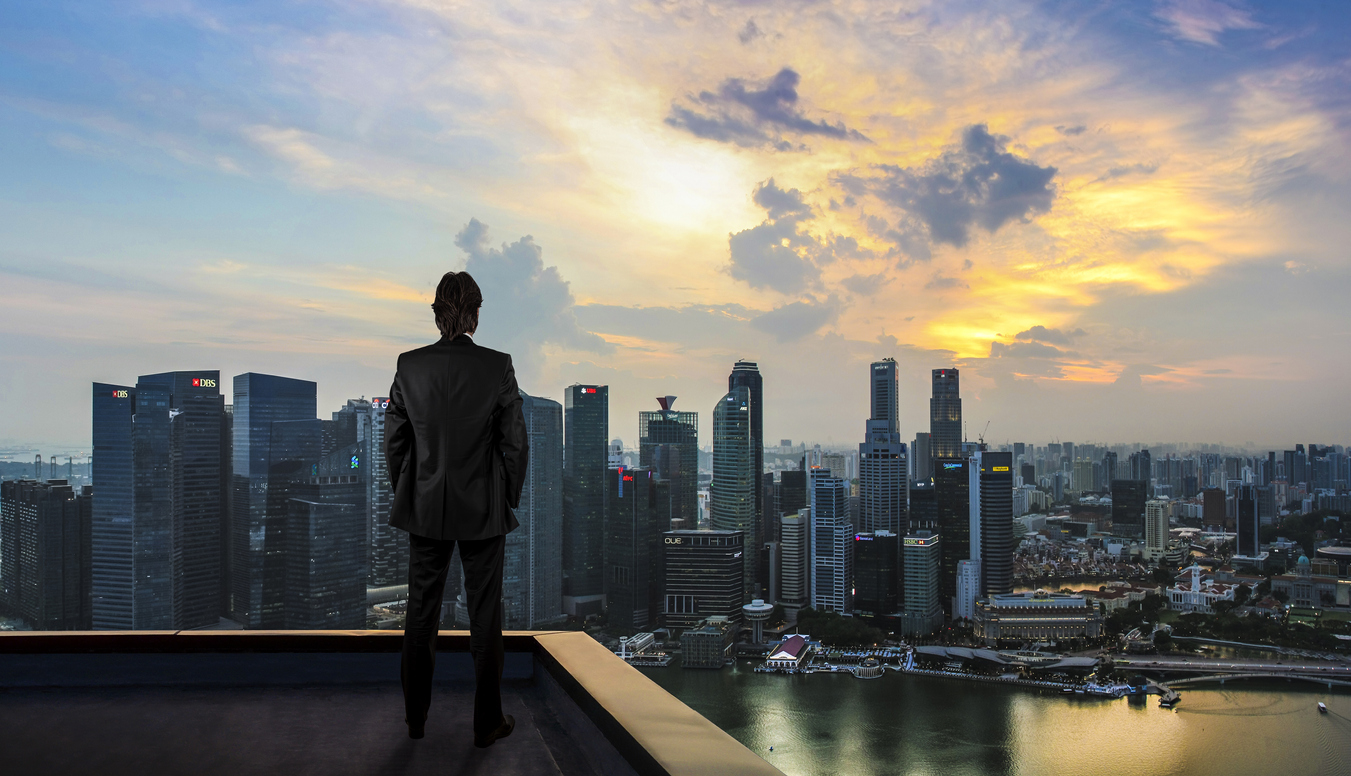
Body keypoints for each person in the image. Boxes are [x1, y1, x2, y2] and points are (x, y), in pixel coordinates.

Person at [385, 270, 529, 747]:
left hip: (424, 506)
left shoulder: (409, 366)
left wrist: (410, 492)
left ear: (436, 311)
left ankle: (415, 720)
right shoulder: (498, 366)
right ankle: (488, 723)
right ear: (475, 312)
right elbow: (515, 445)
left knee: (420, 613)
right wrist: (505, 499)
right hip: (483, 509)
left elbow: (395, 444)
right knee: (485, 617)